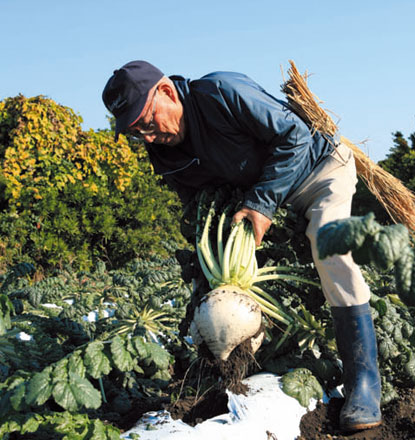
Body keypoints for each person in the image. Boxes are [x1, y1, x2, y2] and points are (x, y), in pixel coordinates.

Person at [102, 60, 382, 432]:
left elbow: (295, 136)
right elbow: (197, 209)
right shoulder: (163, 152)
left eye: (148, 123)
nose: (148, 138)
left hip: (316, 172)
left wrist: (263, 203)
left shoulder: (220, 93)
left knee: (329, 247)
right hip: (256, 200)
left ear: (167, 92)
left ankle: (364, 383)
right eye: (137, 132)